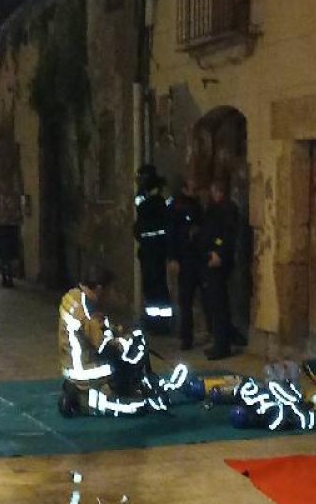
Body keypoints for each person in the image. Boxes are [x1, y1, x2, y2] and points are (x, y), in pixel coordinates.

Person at [57, 264, 187, 416]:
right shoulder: (87, 311)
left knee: (125, 357)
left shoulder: (72, 296)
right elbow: (105, 344)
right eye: (108, 289)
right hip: (86, 372)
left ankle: (81, 392)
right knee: (134, 401)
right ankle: (85, 400)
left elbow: (98, 330)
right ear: (99, 288)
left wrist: (116, 331)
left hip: (72, 368)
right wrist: (128, 341)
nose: (109, 294)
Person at [202, 179, 244, 360]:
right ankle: (222, 341)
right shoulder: (215, 208)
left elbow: (226, 235)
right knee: (215, 304)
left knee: (219, 305)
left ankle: (222, 345)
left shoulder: (226, 209)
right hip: (211, 258)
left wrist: (218, 252)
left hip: (219, 262)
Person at [167, 176, 209, 350]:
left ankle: (205, 332)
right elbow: (171, 234)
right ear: (184, 189)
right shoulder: (176, 207)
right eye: (193, 188)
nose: (196, 191)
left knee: (205, 298)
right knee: (186, 300)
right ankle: (186, 337)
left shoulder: (197, 206)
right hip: (185, 260)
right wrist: (173, 258)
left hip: (198, 259)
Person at [134, 165, 173, 333]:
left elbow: (167, 208)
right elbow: (140, 207)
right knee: (149, 286)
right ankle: (152, 322)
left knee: (158, 285)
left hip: (158, 248)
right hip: (147, 248)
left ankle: (163, 324)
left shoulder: (162, 194)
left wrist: (157, 194)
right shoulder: (143, 195)